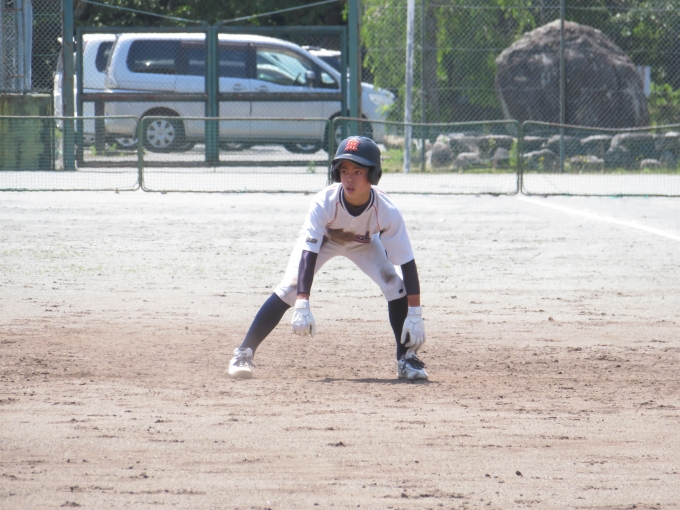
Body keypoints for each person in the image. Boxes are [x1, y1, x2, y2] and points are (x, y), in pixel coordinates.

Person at [228, 136, 427, 380]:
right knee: (290, 289)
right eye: (344, 170)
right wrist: (302, 301)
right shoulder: (324, 202)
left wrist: (415, 312)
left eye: (358, 171)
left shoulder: (387, 210)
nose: (349, 178)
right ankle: (243, 353)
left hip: (363, 243)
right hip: (325, 241)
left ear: (374, 175)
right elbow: (309, 252)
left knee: (395, 285)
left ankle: (406, 359)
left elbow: (406, 262)